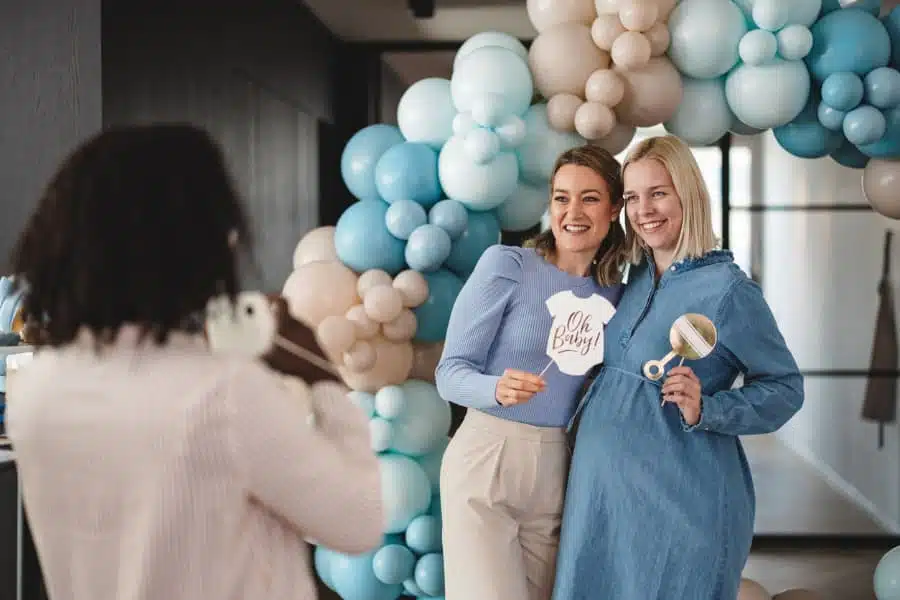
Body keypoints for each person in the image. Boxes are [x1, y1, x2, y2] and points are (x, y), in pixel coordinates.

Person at [4, 123, 383, 600]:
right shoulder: (224, 394)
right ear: (195, 243)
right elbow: (358, 522)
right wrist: (326, 381)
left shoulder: (35, 390)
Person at [552, 135, 804, 600]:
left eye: (658, 193)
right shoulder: (633, 278)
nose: (643, 209)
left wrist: (708, 408)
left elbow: (786, 388)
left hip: (679, 506)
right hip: (603, 504)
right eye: (631, 197)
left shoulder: (728, 291)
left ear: (688, 193)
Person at [435, 144, 627, 600]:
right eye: (561, 198)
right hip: (487, 458)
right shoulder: (509, 265)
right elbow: (449, 373)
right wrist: (495, 387)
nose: (572, 211)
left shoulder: (621, 295)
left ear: (615, 207)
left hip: (561, 468)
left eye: (590, 198)